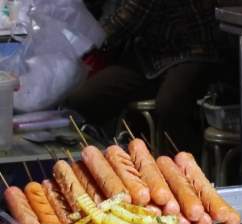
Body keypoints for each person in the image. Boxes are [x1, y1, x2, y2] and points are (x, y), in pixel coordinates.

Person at [65, 0, 231, 156]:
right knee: (82, 99)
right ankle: (101, 160)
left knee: (170, 105)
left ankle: (183, 170)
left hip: (193, 49)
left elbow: (129, 17)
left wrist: (81, 43)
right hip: (149, 55)